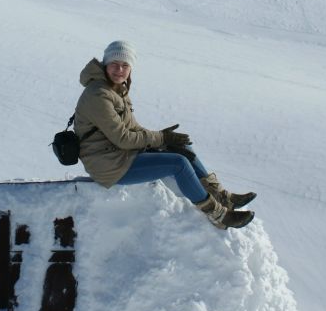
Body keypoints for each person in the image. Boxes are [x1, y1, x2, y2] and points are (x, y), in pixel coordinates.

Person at [74, 40, 256, 229]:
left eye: (125, 65)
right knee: (178, 164)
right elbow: (124, 138)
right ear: (105, 65)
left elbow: (133, 128)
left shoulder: (115, 90)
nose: (119, 69)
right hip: (109, 165)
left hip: (119, 154)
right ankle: (218, 215)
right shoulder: (98, 95)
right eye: (114, 64)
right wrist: (161, 138)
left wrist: (163, 137)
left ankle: (222, 196)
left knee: (183, 147)